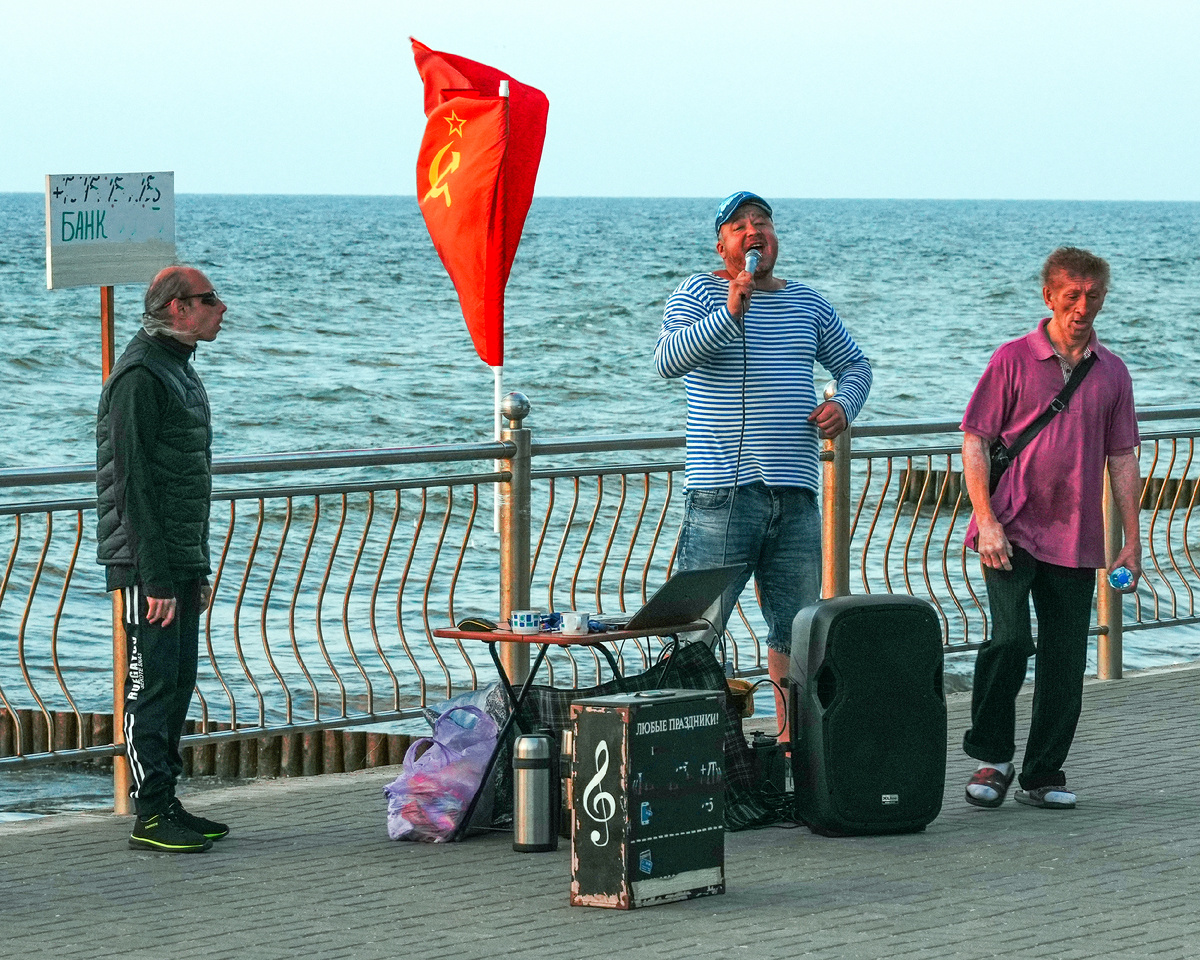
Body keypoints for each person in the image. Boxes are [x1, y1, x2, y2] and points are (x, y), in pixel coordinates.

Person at [654, 192, 873, 742]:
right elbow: (668, 360)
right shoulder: (698, 292)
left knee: (797, 633)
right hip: (722, 496)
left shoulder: (807, 303)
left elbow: (855, 365)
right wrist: (730, 311)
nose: (754, 232)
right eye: (740, 226)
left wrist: (844, 406)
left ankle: (793, 751)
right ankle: (688, 757)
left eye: (763, 223)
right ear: (722, 245)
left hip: (795, 497)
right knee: (696, 633)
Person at [960, 247, 1141, 811]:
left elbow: (1123, 458)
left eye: (1093, 296)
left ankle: (1042, 775)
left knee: (1064, 659)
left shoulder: (1112, 371)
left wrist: (1132, 541)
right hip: (1010, 526)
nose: (1082, 306)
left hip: (1077, 532)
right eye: (1072, 295)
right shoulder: (1013, 358)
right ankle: (994, 758)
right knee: (1010, 640)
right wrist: (985, 518)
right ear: (1049, 297)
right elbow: (975, 440)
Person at [96, 265, 230, 852]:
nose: (221, 308)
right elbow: (133, 485)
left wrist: (195, 567)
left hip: (177, 559)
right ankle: (149, 814)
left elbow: (184, 480)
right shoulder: (139, 376)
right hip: (145, 566)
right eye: (210, 299)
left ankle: (167, 801)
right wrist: (155, 577)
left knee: (177, 684)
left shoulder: (177, 367)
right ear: (178, 308)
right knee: (150, 688)